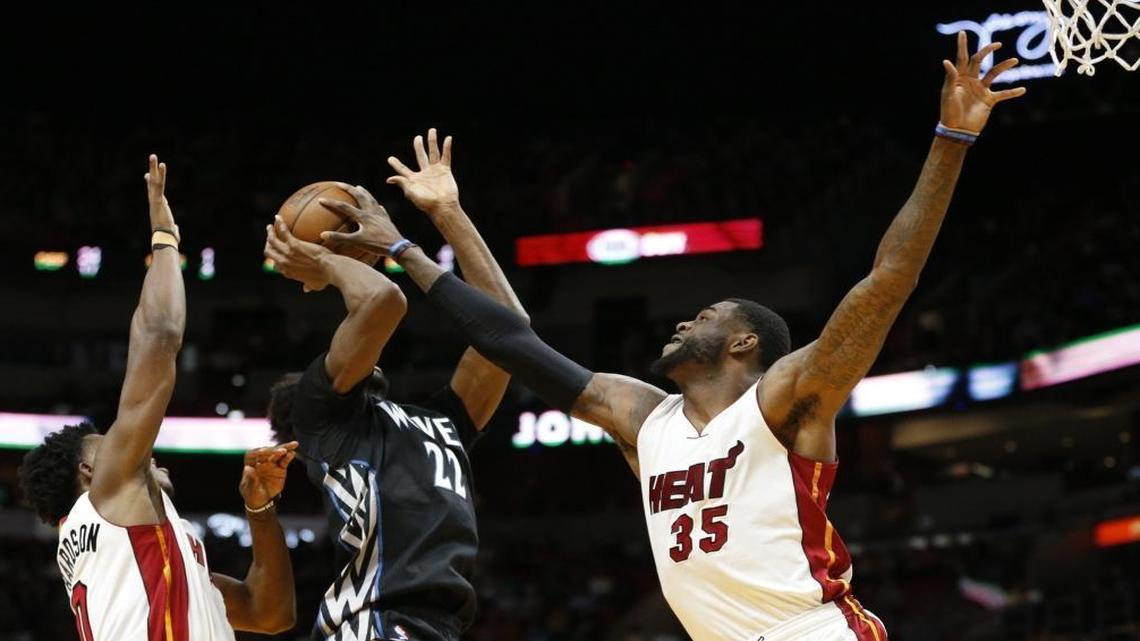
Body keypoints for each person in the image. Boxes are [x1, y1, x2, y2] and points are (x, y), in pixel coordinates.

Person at [316, 35, 1026, 641]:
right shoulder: (642, 417)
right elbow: (512, 343)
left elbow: (888, 279)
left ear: (746, 343)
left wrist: (951, 140)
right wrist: (436, 225)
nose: (685, 322)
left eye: (708, 314)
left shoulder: (787, 397)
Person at [17, 155, 297, 640]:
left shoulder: (129, 548)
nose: (140, 449)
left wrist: (259, 509)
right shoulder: (107, 500)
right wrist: (165, 240)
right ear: (90, 472)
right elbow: (160, 335)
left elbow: (269, 614)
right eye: (109, 446)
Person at [264, 130, 527, 641]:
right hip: (374, 622)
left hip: (433, 626)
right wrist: (327, 261)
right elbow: (383, 301)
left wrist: (448, 213)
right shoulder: (327, 420)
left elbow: (510, 331)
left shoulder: (439, 422)